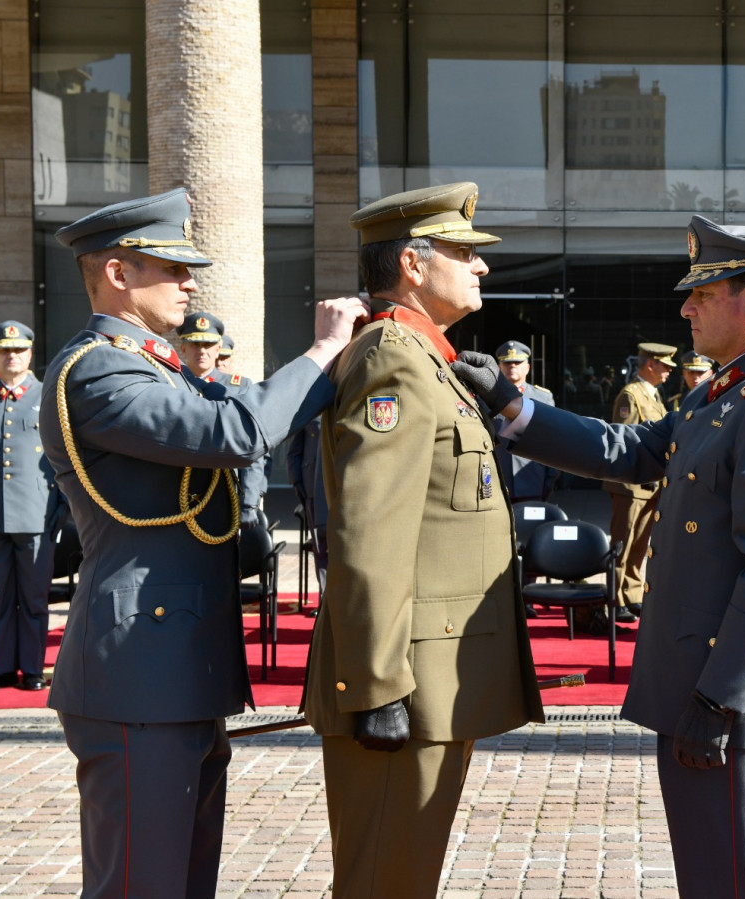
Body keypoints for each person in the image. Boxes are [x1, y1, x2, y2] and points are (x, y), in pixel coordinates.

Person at [454, 212, 745, 899]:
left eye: (702, 294)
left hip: (727, 693)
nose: (685, 309)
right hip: (699, 680)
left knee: (736, 882)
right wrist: (511, 404)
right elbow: (631, 450)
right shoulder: (721, 391)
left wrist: (720, 700)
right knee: (709, 876)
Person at [40, 187, 365, 899]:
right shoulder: (97, 367)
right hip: (138, 672)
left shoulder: (156, 366)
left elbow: (248, 410)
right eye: (172, 267)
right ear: (118, 273)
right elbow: (236, 432)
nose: (190, 282)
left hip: (174, 665)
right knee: (140, 886)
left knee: (185, 882)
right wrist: (322, 349)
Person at [301, 182, 544, 899]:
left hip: (429, 681)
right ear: (412, 263)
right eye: (464, 252)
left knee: (403, 876)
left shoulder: (425, 356)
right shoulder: (393, 356)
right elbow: (370, 529)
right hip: (405, 683)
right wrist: (377, 685)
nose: (481, 265)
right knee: (384, 880)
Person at [0, 321, 66, 691]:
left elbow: (63, 459)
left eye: (19, 350)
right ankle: (2, 669)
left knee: (34, 598)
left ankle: (32, 669)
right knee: (0, 597)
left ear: (30, 354)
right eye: (4, 350)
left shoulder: (48, 395)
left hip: (37, 514)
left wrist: (61, 510)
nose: (12, 356)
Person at [603, 341, 676, 623]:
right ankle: (616, 598)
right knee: (622, 543)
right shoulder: (631, 394)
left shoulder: (653, 395)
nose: (669, 371)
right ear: (651, 364)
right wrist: (637, 475)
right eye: (665, 366)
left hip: (649, 484)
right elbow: (626, 439)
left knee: (640, 544)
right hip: (631, 485)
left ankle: (631, 594)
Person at [177, 310, 269, 528]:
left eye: (208, 345)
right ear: (183, 348)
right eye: (195, 344)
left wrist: (249, 504)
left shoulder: (239, 387)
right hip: (177, 493)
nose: (202, 351)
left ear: (218, 349)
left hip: (225, 494)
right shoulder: (170, 383)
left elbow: (252, 449)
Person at [492, 340, 559, 502]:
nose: (512, 366)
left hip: (532, 479)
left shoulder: (542, 397)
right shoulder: (486, 397)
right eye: (507, 363)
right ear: (499, 367)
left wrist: (550, 478)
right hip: (496, 481)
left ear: (527, 367)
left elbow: (551, 441)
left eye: (517, 363)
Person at [286, 414, 327, 609]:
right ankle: (324, 605)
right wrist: (297, 482)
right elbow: (294, 451)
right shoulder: (312, 404)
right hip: (313, 490)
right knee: (321, 549)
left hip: (344, 490)